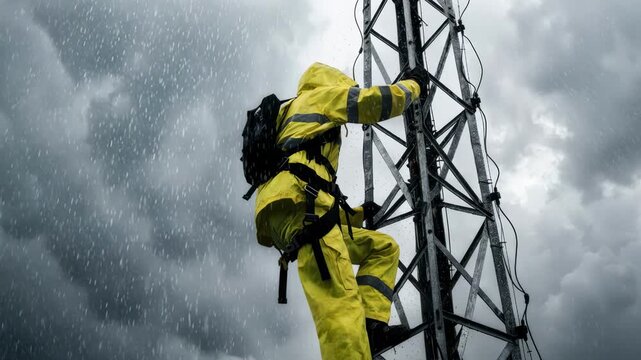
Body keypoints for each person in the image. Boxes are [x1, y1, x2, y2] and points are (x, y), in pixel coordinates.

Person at [254, 62, 427, 359]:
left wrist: (357, 215)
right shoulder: (321, 97)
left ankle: (371, 329)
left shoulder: (290, 115)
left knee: (382, 248)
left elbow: (308, 178)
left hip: (293, 207)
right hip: (302, 207)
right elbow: (373, 103)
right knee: (340, 307)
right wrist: (413, 86)